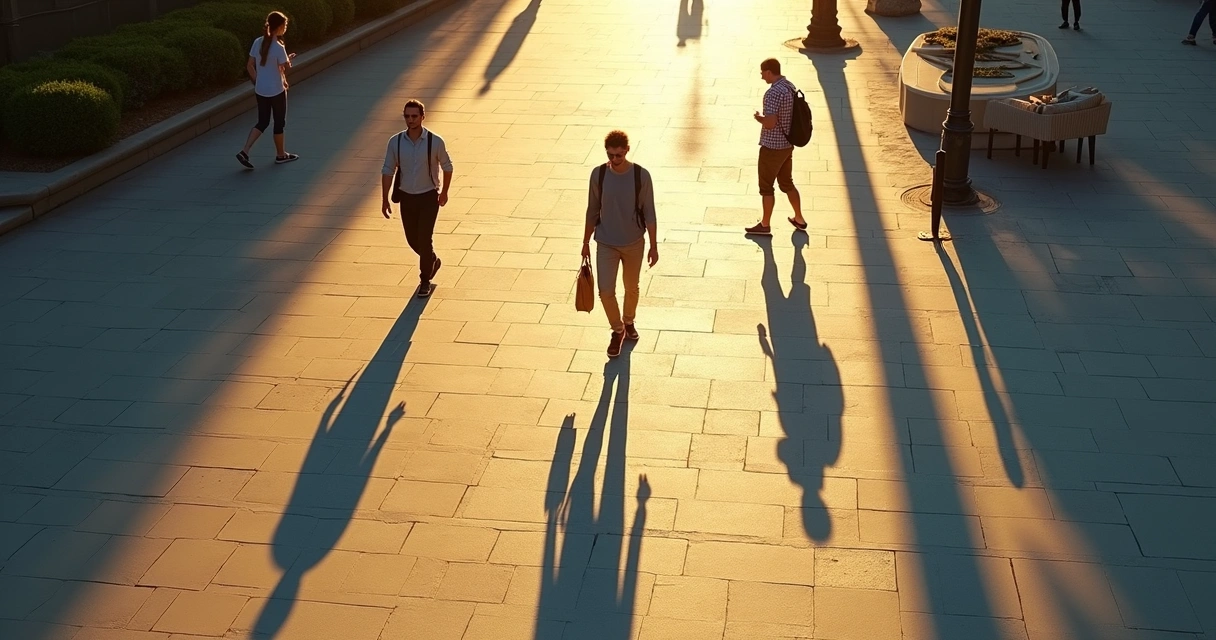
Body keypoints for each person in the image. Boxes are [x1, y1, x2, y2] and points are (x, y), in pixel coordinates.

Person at [582, 130, 658, 358]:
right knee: (605, 291)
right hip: (606, 242)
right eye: (610, 155)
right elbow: (592, 210)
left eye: (618, 155)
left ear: (627, 150)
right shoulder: (599, 175)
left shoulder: (640, 176)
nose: (614, 160)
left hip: (634, 242)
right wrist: (585, 241)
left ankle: (629, 321)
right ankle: (618, 330)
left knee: (631, 287)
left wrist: (654, 246)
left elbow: (650, 213)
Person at [381, 99, 454, 298]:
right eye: (407, 116)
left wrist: (444, 191)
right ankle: (432, 260)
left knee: (424, 238)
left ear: (423, 117)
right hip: (407, 198)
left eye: (414, 116)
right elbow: (388, 169)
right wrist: (385, 198)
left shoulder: (435, 141)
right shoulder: (395, 142)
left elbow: (448, 166)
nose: (410, 120)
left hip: (429, 197)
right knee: (412, 240)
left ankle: (424, 280)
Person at [746, 58, 806, 236]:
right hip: (787, 145)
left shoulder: (772, 93)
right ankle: (799, 218)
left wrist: (760, 118)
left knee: (766, 187)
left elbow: (771, 123)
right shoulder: (789, 86)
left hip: (772, 147)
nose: (761, 76)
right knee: (787, 183)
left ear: (769, 72)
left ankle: (765, 225)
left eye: (762, 73)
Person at [236, 11, 298, 168]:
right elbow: (285, 68)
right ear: (279, 26)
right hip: (277, 90)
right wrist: (288, 61)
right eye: (284, 25)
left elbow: (249, 65)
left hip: (261, 90)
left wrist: (257, 81)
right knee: (279, 122)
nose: (285, 28)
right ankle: (281, 155)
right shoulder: (278, 46)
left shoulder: (258, 42)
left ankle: (245, 150)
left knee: (262, 122)